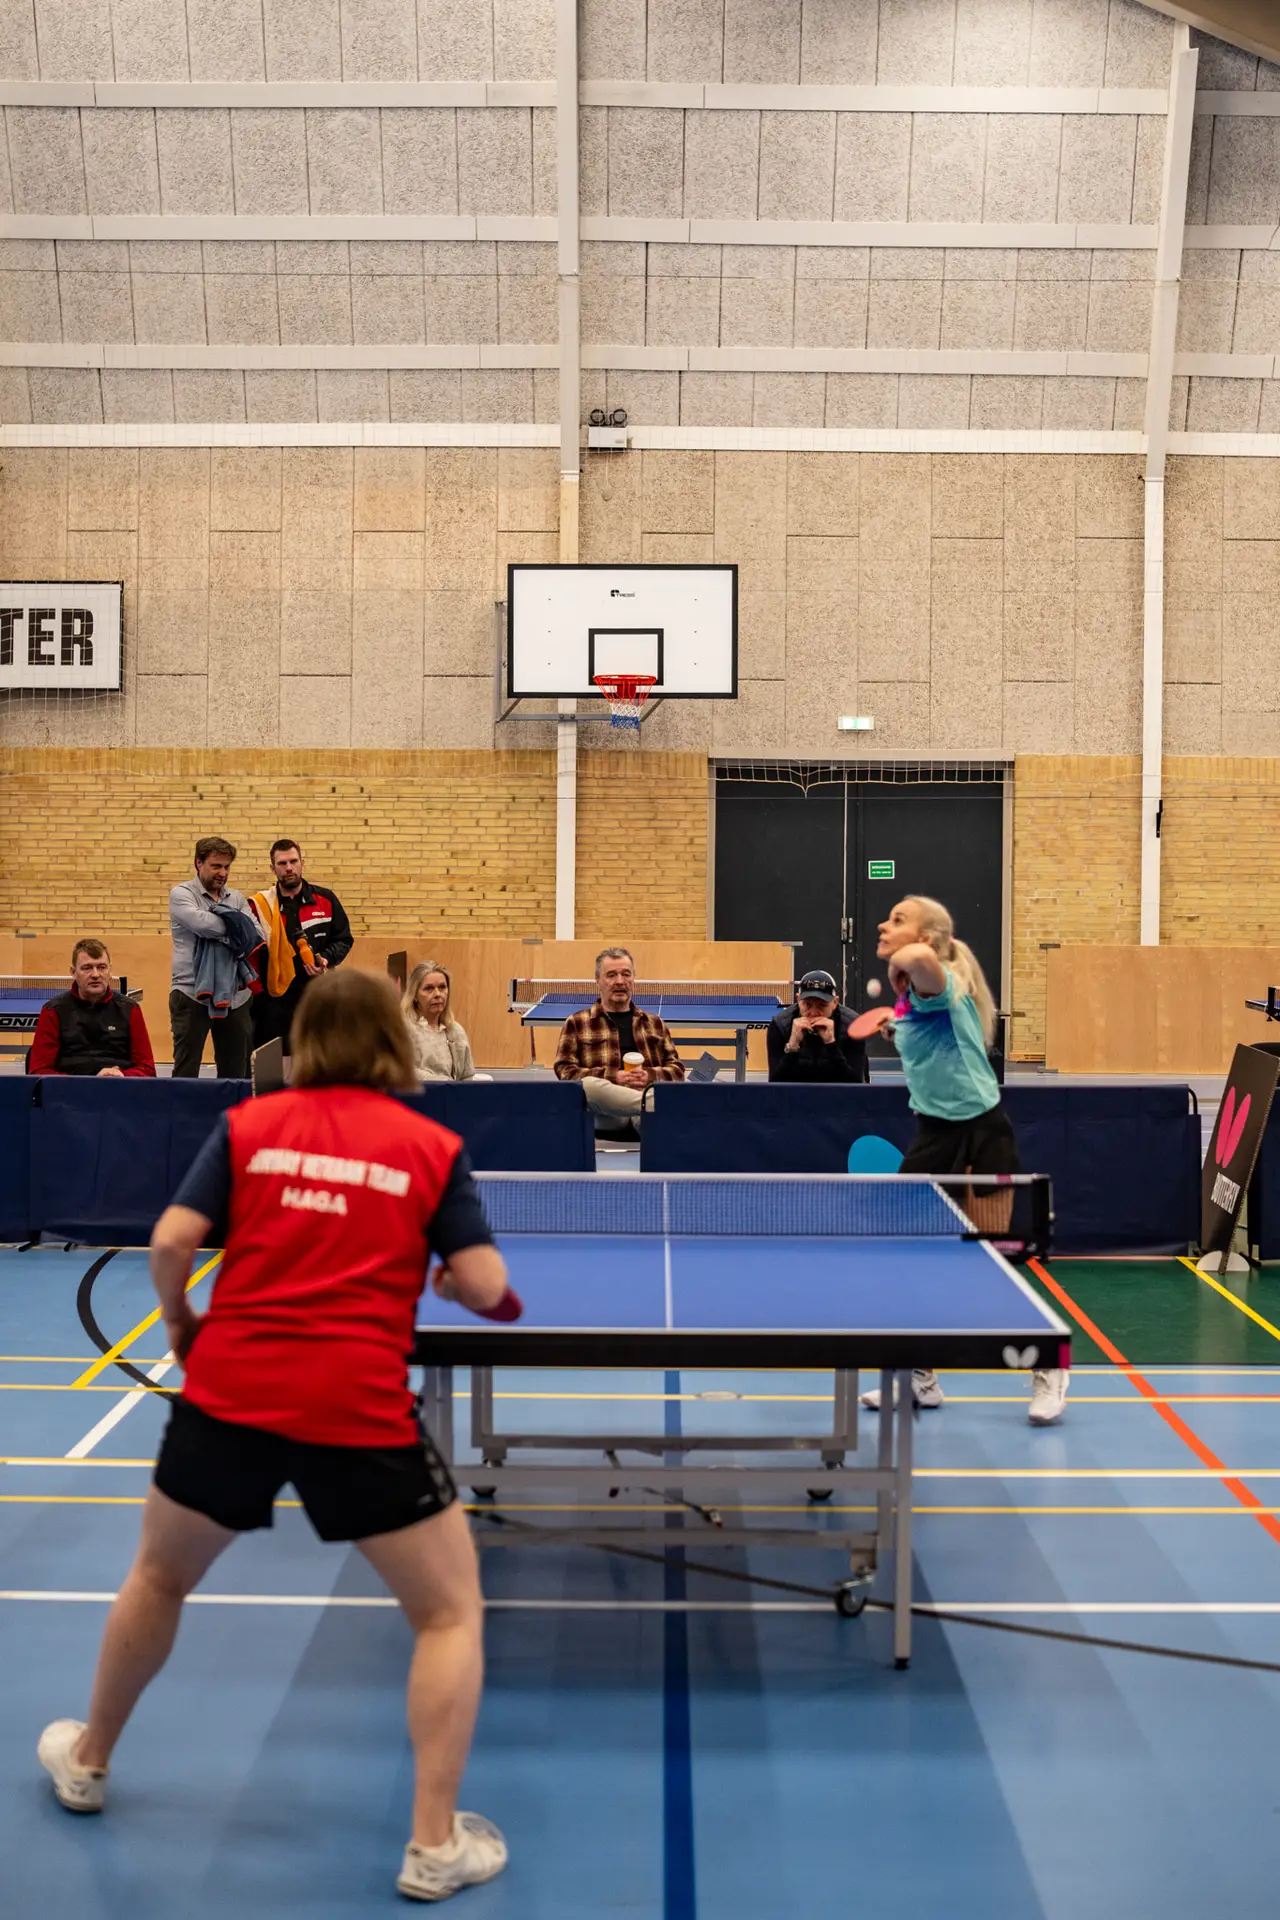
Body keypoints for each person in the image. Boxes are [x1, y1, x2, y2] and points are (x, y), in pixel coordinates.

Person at [37, 968, 520, 1902]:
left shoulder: (250, 1127)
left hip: (231, 1395)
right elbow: (491, 1288)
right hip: (356, 1409)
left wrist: (181, 1321)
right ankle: (432, 1845)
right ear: (391, 1039)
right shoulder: (430, 1146)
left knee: (158, 1578)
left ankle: (89, 1761)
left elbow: (171, 1241)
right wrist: (456, 1284)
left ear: (305, 1042)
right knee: (448, 1614)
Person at [858, 894, 1068, 1427]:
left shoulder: (943, 981)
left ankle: (1048, 1367)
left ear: (928, 939)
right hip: (933, 1136)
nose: (883, 924)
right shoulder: (915, 999)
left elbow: (922, 964)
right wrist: (896, 1026)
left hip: (980, 1135)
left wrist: (909, 956)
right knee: (912, 1260)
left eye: (897, 920)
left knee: (993, 1265)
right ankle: (919, 1376)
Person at [552, 946, 685, 1136]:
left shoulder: (655, 1023)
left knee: (648, 1114)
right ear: (598, 980)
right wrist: (615, 1077)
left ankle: (645, 1105)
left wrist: (648, 1076)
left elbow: (677, 1071)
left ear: (633, 978)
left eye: (626, 974)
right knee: (588, 1085)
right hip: (604, 1114)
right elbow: (565, 1072)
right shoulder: (576, 1022)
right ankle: (649, 1104)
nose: (620, 981)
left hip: (643, 1116)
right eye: (611, 975)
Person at [248, 839, 353, 1055]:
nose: (289, 868)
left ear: (302, 863)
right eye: (282, 863)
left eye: (293, 861)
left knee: (317, 1056)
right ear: (273, 868)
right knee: (276, 1062)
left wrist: (326, 958)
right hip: (273, 1001)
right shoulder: (260, 906)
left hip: (316, 994)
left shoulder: (325, 899)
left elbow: (344, 939)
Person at [168, 836, 257, 1079]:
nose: (223, 873)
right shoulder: (181, 894)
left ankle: (231, 1106)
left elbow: (255, 934)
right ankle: (184, 1107)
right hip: (190, 992)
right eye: (216, 866)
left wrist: (240, 928)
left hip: (235, 996)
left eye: (227, 867)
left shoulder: (236, 898)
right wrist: (237, 924)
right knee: (186, 1070)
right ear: (199, 863)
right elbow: (202, 925)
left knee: (236, 1073)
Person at [28, 939, 156, 1078]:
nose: (95, 974)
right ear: (73, 972)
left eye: (101, 967)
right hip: (70, 1089)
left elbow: (148, 1070)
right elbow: (38, 1071)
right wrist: (86, 1082)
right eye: (87, 968)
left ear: (110, 971)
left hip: (118, 1087)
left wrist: (122, 1075)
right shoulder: (53, 1011)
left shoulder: (130, 1009)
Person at [767, 969, 869, 1083]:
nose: (814, 1013)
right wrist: (793, 1046)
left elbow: (855, 1084)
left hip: (838, 1092)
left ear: (835, 1003)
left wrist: (831, 1044)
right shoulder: (780, 1025)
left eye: (822, 1005)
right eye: (807, 1005)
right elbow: (775, 1084)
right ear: (798, 999)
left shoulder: (853, 1026)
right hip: (797, 1091)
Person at [402, 961, 477, 1082]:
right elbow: (403, 1071)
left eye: (442, 987)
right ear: (415, 995)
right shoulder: (402, 1029)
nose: (437, 994)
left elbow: (467, 1077)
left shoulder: (456, 1031)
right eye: (429, 988)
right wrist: (443, 1083)